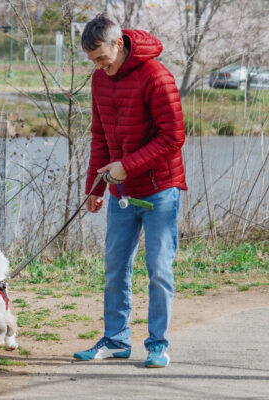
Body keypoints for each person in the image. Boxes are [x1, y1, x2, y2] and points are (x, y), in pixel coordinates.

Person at [73, 14, 187, 368]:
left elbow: (173, 138)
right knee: (114, 269)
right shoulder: (99, 80)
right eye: (92, 61)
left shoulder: (157, 76)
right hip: (120, 191)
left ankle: (158, 344)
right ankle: (116, 340)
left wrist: (128, 165)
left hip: (160, 191)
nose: (99, 67)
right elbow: (99, 136)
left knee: (158, 269)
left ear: (118, 43)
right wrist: (95, 185)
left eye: (102, 58)